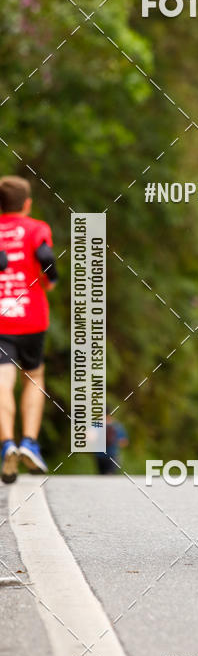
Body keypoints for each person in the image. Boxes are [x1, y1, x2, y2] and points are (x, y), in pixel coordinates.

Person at [0, 175, 58, 483]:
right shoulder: (36, 228)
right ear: (27, 204)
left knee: (2, 380)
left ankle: (6, 443)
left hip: (1, 320)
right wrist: (51, 279)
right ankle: (29, 443)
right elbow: (46, 260)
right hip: (32, 317)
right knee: (33, 375)